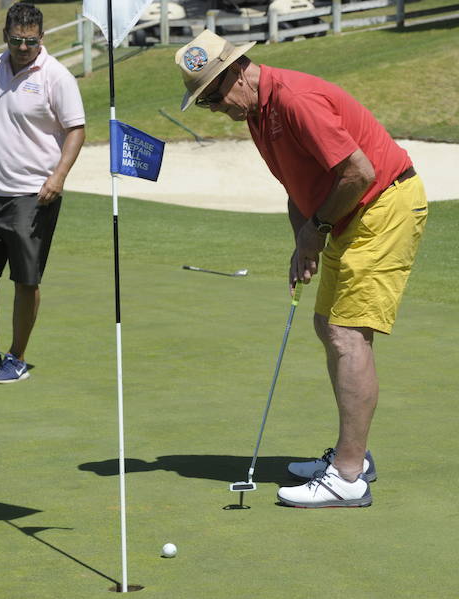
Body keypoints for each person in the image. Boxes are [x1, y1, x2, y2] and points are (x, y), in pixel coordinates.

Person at [174, 31, 427, 507]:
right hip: (352, 213)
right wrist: (302, 240)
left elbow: (359, 172)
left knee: (348, 333)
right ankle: (352, 456)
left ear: (236, 71)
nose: (218, 110)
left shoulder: (293, 100)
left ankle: (348, 476)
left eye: (213, 96)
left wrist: (317, 228)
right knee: (327, 324)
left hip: (383, 205)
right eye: (205, 104)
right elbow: (299, 183)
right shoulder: (259, 113)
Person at [0, 3, 85, 384]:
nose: (23, 47)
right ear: (4, 36)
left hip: (34, 194)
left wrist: (58, 177)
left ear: (41, 38)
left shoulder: (56, 76)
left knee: (26, 278)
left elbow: (76, 130)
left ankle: (17, 357)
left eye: (30, 41)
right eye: (16, 40)